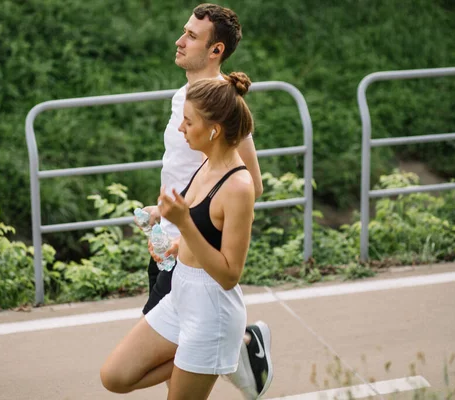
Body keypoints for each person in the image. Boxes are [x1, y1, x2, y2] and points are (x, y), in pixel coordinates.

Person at [101, 71, 262, 399]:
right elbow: (203, 228)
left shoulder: (238, 187)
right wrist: (174, 243)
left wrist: (184, 224)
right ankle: (229, 356)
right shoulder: (205, 164)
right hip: (181, 293)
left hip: (211, 309)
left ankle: (223, 353)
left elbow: (230, 274)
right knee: (115, 376)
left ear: (214, 130)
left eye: (188, 122)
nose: (180, 129)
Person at [140, 3, 271, 398]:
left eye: (192, 36)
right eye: (184, 32)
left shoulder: (221, 103)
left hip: (193, 250)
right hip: (168, 240)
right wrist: (161, 212)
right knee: (176, 376)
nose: (180, 41)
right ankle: (242, 346)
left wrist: (193, 225)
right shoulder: (184, 95)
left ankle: (242, 345)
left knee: (177, 378)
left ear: (216, 50)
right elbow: (184, 170)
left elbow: (251, 183)